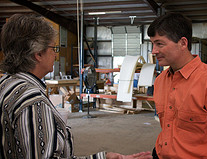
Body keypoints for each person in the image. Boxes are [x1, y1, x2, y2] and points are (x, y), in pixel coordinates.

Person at [0, 14, 152, 159]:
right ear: (38, 54)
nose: (55, 55)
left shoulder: (6, 84)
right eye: (54, 49)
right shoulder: (33, 101)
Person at [147, 12, 207, 159]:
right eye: (152, 43)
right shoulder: (160, 81)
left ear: (183, 43)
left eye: (159, 43)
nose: (153, 51)